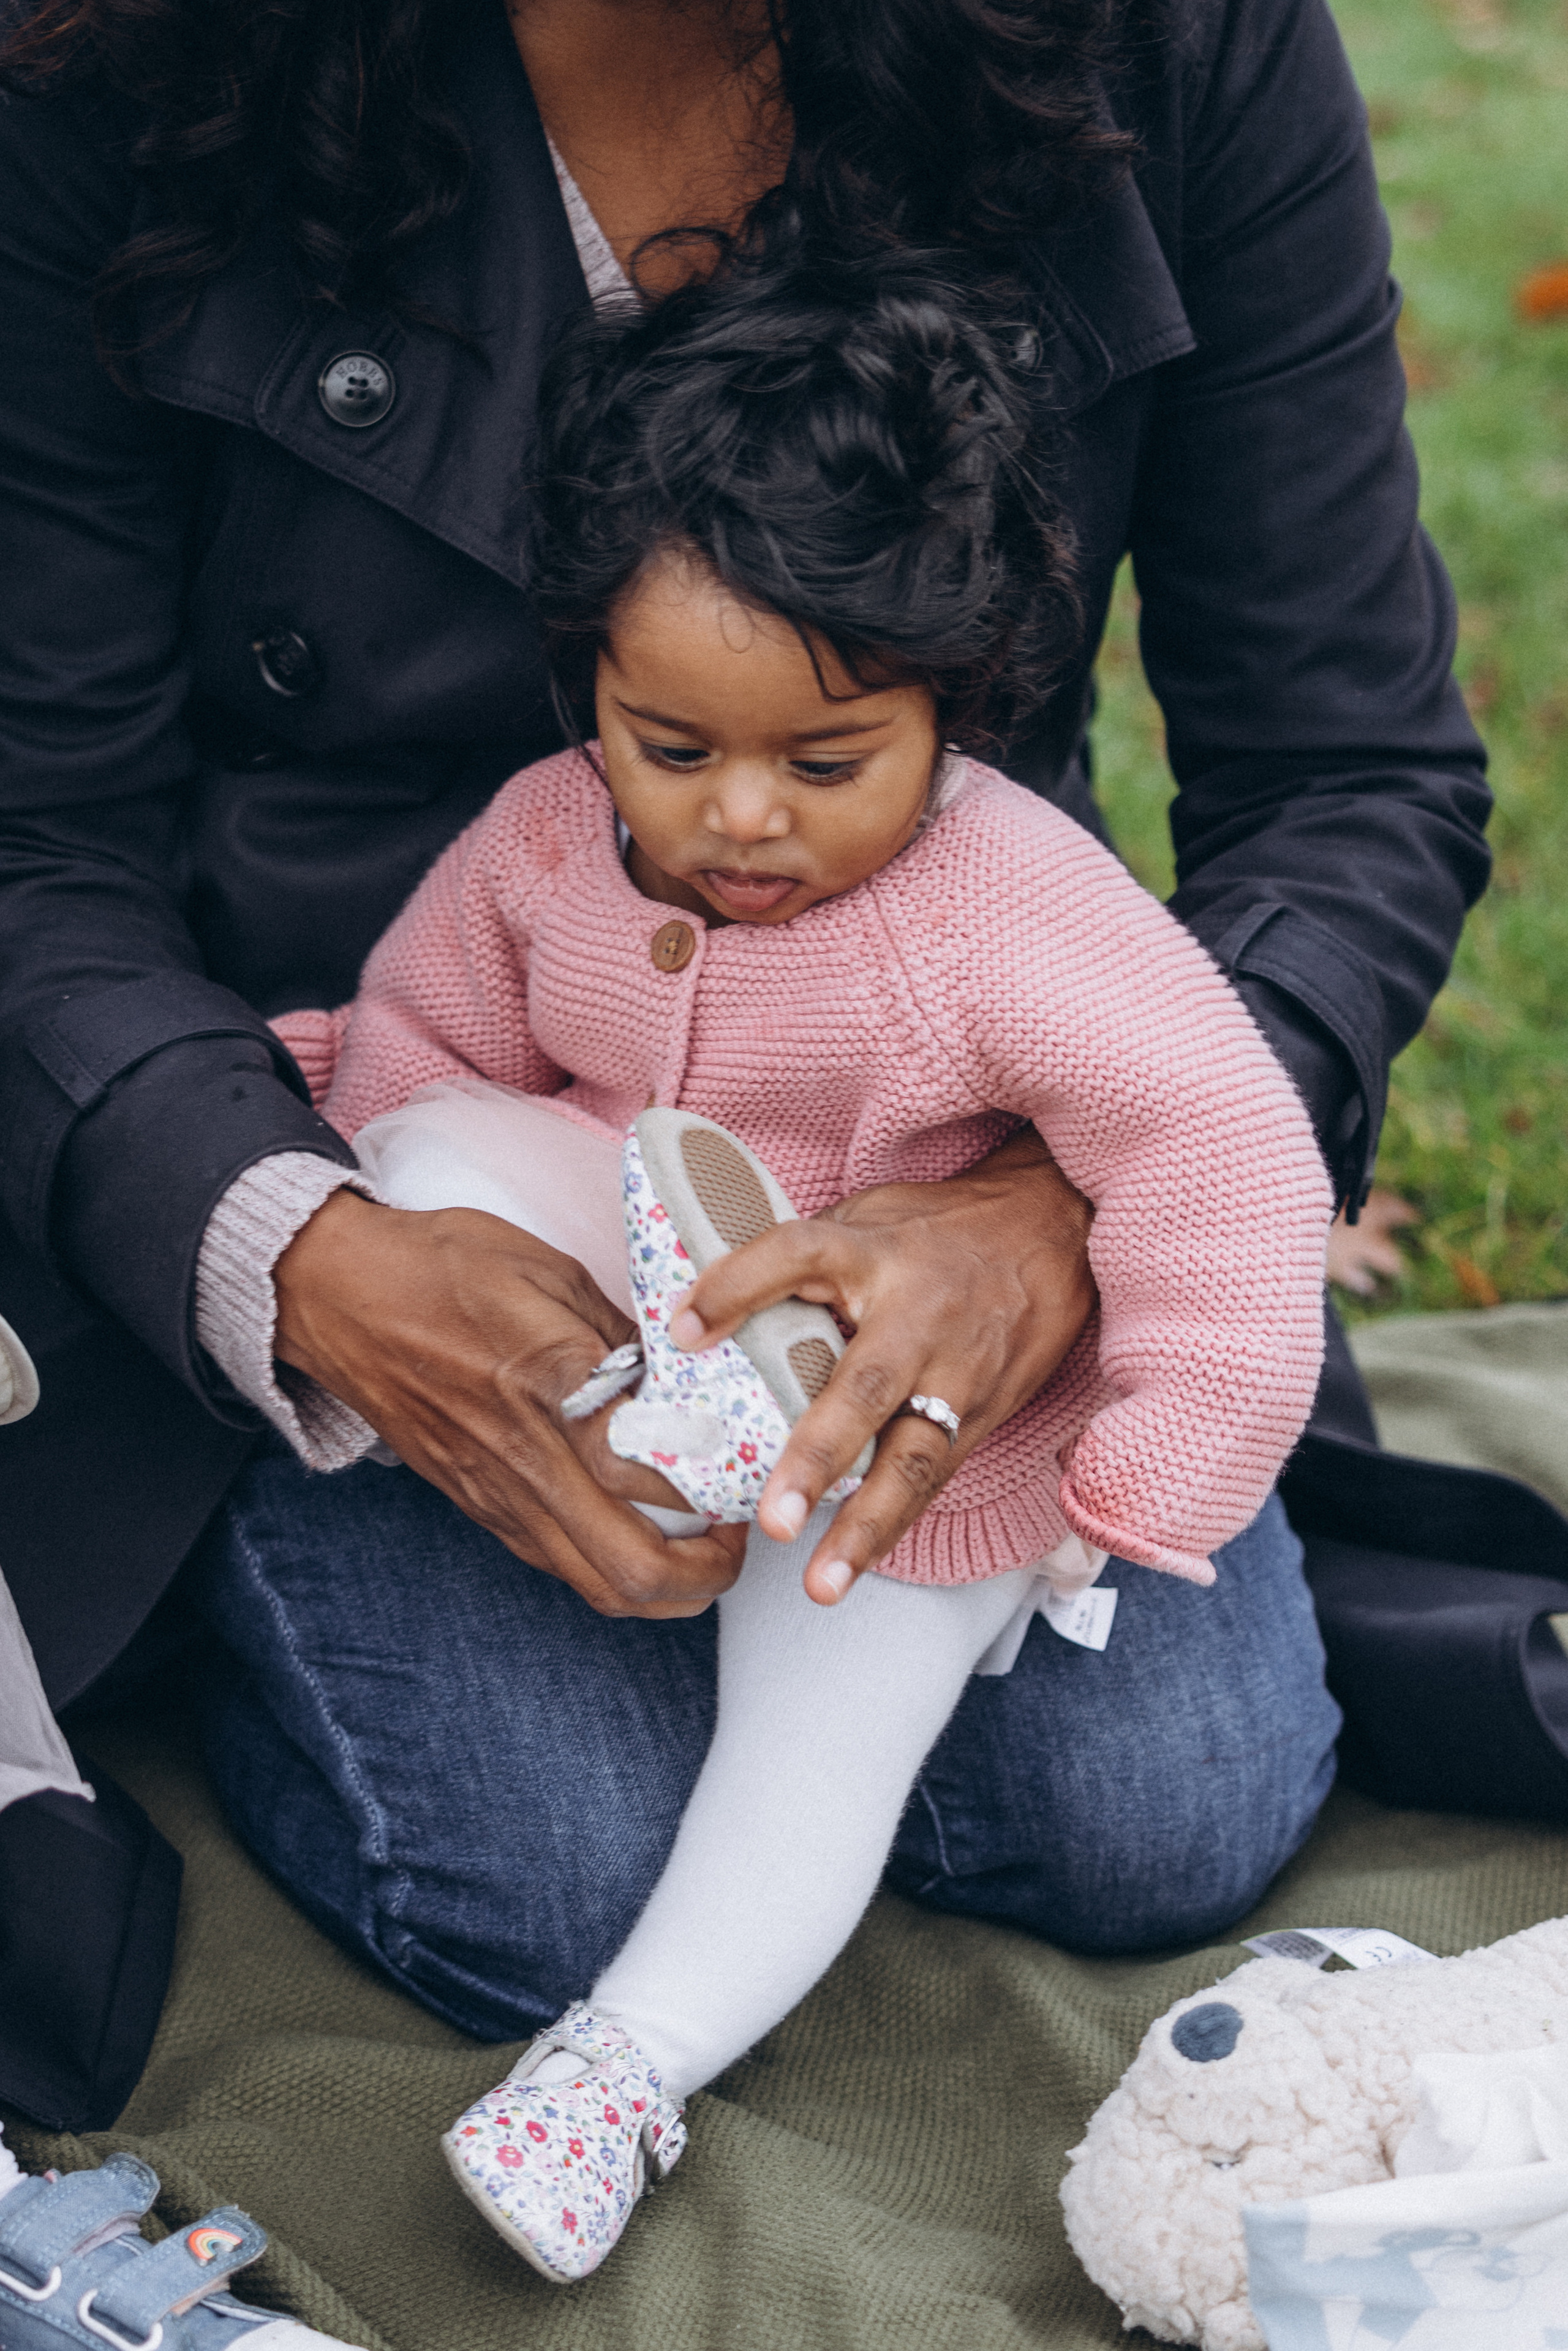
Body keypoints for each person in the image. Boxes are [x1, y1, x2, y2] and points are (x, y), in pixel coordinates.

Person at [0, 0, 1488, 2138]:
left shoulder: (1177, 42)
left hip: (945, 1131)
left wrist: (1062, 1213)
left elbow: (1349, 775)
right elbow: (33, 835)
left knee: (1163, 1811)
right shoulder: (118, 63)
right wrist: (295, 1258)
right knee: (543, 1878)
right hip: (364, 1145)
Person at [251, 251, 1332, 2279]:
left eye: (826, 766)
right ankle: (662, 1413)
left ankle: (619, 2073)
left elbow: (1219, 1152)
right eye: (673, 746)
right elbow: (427, 1035)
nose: (739, 821)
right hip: (636, 1247)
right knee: (427, 1144)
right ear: (590, 680)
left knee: (811, 1756)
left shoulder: (1009, 906)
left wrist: (1149, 1478)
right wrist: (392, 1182)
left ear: (954, 704)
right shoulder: (551, 837)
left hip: (918, 1439)